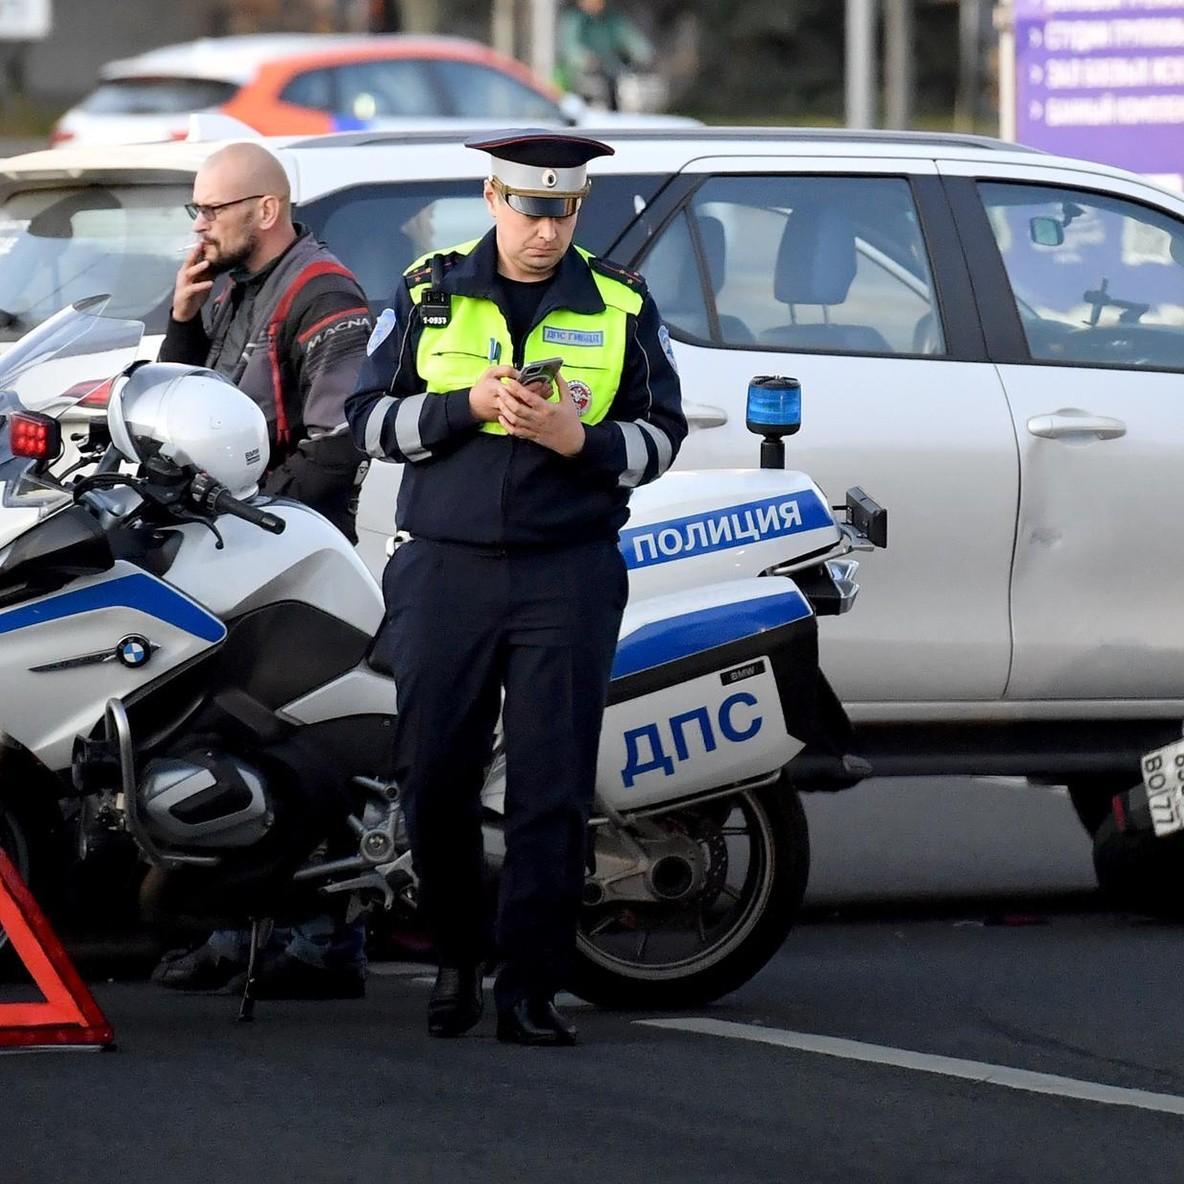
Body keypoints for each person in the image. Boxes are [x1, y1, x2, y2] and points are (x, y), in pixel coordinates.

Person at [346, 129, 686, 1045]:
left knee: (550, 786)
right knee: (435, 776)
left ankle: (529, 988)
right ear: (492, 200)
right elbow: (367, 420)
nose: (547, 229)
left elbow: (664, 433)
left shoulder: (618, 302)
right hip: (444, 565)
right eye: (532, 208)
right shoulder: (428, 292)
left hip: (565, 570)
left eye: (565, 210)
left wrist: (586, 444)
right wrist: (469, 407)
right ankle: (456, 959)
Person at [151, 140, 374, 1000]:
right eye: (196, 211)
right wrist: (181, 314)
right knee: (215, 732)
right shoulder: (230, 288)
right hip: (233, 547)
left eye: (211, 209)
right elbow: (177, 402)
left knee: (292, 741)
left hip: (294, 554)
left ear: (266, 210)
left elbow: (333, 444)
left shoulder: (322, 294)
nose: (199, 226)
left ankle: (323, 940)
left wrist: (254, 521)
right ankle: (231, 924)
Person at [557, 0, 654, 111]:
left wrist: (645, 55)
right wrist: (585, 59)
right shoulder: (574, 19)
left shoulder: (611, 18)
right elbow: (570, 48)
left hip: (611, 74)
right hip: (581, 78)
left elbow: (630, 38)